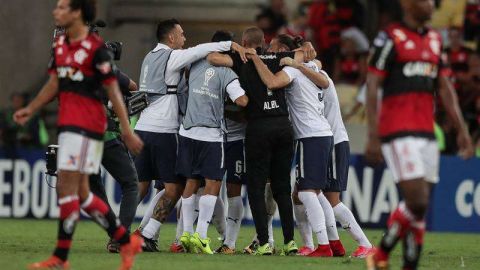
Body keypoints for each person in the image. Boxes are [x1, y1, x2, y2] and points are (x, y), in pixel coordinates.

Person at [13, 0, 144, 269]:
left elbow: (114, 92)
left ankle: (60, 258)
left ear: (77, 14)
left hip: (88, 127)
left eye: (62, 7)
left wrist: (127, 130)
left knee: (67, 188)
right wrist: (32, 108)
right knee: (83, 195)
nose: (55, 11)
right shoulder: (60, 47)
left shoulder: (97, 51)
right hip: (68, 126)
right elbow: (54, 82)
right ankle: (125, 241)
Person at [365, 0, 474, 269]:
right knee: (418, 200)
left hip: (427, 132)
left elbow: (445, 88)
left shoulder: (436, 39)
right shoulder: (390, 37)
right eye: (425, 1)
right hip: (397, 129)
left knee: (419, 208)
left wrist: (462, 130)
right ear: (407, 5)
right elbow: (372, 84)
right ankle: (380, 254)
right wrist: (373, 134)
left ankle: (400, 262)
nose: (430, 5)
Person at [135, 18, 251, 252]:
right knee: (184, 186)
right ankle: (155, 235)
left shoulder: (153, 58)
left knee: (150, 187)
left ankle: (128, 233)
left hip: (155, 128)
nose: (185, 39)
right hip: (172, 130)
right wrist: (233, 51)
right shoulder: (178, 58)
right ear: (171, 37)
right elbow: (240, 98)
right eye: (181, 34)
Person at [207, 27, 315, 255]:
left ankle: (264, 243)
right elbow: (304, 55)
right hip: (283, 127)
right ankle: (289, 243)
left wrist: (234, 48)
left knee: (256, 189)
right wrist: (305, 46)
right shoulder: (277, 57)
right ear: (264, 42)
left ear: (245, 41)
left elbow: (212, 57)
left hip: (259, 127)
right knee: (282, 189)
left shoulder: (240, 58)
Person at [249, 34, 336, 257]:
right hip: (312, 134)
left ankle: (323, 245)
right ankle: (325, 243)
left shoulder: (290, 68)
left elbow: (271, 82)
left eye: (273, 47)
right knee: (303, 192)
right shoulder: (307, 65)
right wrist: (305, 56)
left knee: (304, 193)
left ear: (283, 49)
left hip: (308, 135)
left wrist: (260, 60)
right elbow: (321, 72)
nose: (269, 49)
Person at [176, 31, 249, 255]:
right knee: (213, 183)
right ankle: (201, 235)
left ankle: (186, 234)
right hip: (211, 134)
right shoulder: (227, 72)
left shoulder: (195, 62)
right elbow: (242, 100)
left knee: (191, 181)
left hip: (187, 131)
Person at [88, 69, 140, 253]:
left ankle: (114, 232)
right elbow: (133, 87)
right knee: (131, 183)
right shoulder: (102, 63)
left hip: (78, 136)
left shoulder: (64, 68)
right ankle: (120, 236)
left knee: (93, 190)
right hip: (104, 134)